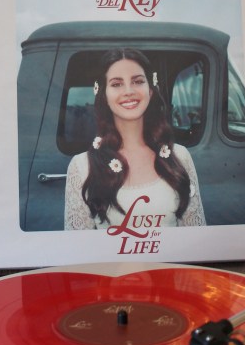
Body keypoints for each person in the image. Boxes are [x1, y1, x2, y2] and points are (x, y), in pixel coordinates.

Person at [64, 47, 206, 230]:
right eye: (116, 84)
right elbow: (78, 251)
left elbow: (196, 241)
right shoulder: (81, 167)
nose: (128, 91)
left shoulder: (180, 156)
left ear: (150, 91)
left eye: (138, 81)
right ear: (104, 95)